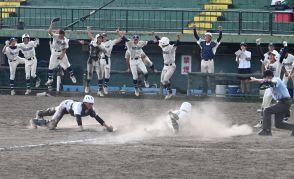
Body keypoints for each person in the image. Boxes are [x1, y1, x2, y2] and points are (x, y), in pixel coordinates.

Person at [30, 95, 114, 132]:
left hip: (69, 106)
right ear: (84, 103)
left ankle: (40, 113)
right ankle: (34, 121)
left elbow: (98, 118)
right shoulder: (79, 106)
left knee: (53, 111)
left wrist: (107, 127)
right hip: (65, 106)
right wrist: (81, 128)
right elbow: (78, 118)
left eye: (92, 104)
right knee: (52, 125)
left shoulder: (92, 109)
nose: (91, 105)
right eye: (89, 103)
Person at [251, 70, 294, 136]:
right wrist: (255, 79)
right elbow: (263, 80)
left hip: (285, 102)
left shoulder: (276, 79)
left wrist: (268, 81)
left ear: (269, 76)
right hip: (282, 102)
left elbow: (274, 82)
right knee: (278, 124)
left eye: (265, 77)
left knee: (267, 111)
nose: (264, 78)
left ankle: (266, 131)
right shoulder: (269, 80)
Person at [254, 40, 287, 128]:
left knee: (281, 104)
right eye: (270, 55)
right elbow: (261, 56)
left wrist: (285, 46)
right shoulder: (267, 63)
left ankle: (283, 119)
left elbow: (283, 55)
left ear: (276, 56)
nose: (271, 56)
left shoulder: (278, 63)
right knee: (264, 104)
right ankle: (262, 122)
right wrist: (258, 45)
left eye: (273, 55)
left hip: (277, 86)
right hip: (269, 86)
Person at [45, 20, 77, 86]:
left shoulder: (65, 40)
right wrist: (52, 25)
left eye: (62, 35)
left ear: (63, 35)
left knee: (67, 65)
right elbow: (49, 32)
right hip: (54, 52)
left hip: (61, 52)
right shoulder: (56, 36)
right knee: (50, 65)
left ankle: (72, 76)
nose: (60, 36)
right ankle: (50, 78)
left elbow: (65, 48)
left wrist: (62, 55)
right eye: (60, 34)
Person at [193, 26, 222, 95]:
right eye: (205, 36)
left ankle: (213, 92)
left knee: (211, 77)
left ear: (211, 38)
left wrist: (220, 32)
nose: (206, 37)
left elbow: (219, 39)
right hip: (203, 61)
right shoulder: (202, 43)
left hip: (210, 61)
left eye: (208, 36)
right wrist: (194, 29)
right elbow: (196, 37)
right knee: (203, 77)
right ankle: (204, 92)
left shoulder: (213, 43)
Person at [154, 34, 180, 99]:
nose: (161, 43)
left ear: (165, 43)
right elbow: (159, 40)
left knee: (165, 80)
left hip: (171, 66)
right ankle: (169, 89)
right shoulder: (163, 45)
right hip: (165, 66)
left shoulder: (171, 47)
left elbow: (176, 44)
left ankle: (170, 93)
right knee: (162, 81)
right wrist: (155, 34)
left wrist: (178, 38)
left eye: (162, 42)